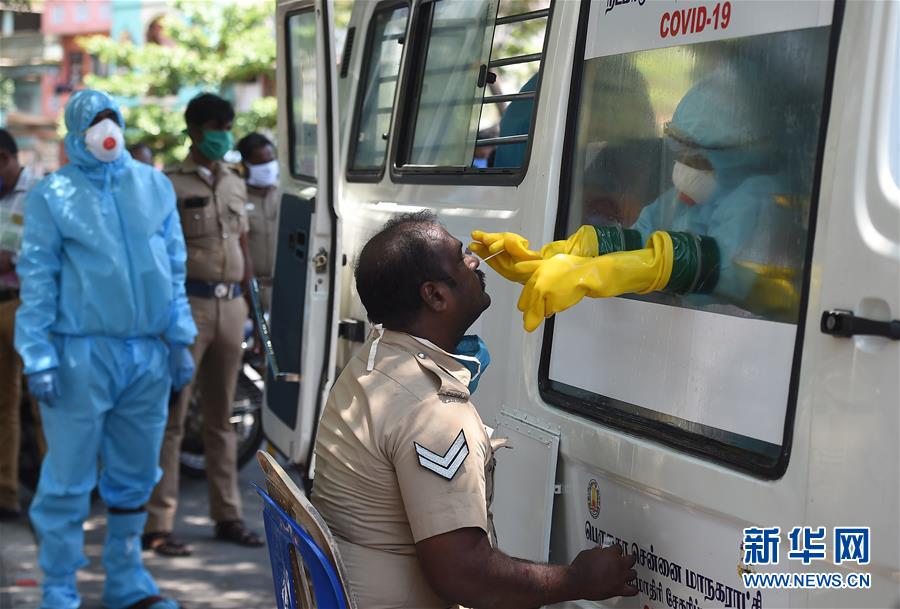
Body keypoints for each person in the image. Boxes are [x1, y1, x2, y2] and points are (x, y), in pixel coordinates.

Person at [311, 210, 637, 609]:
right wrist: (578, 579)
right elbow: (465, 574)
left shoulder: (370, 361)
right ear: (434, 295)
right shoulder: (434, 412)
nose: (474, 261)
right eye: (461, 256)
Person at [14, 89, 196, 609]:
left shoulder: (153, 185)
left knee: (137, 471)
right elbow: (39, 280)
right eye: (94, 120)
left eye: (112, 117)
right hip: (79, 355)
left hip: (147, 355)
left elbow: (174, 269)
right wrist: (39, 355)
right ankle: (58, 587)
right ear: (76, 132)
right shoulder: (53, 195)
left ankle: (126, 579)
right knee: (68, 478)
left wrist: (178, 338)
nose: (106, 128)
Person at [473, 66, 798, 331]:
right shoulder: (681, 199)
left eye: (697, 155)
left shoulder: (761, 199)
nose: (683, 165)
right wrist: (568, 252)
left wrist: (635, 269)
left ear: (741, 153)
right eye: (680, 149)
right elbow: (643, 239)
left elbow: (727, 270)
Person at [144, 93, 263, 556]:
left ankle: (227, 516)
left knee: (222, 419)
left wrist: (252, 309)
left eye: (226, 126)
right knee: (172, 418)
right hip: (187, 307)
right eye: (215, 127)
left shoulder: (234, 181)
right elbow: (156, 253)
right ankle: (159, 522)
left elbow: (244, 247)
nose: (222, 136)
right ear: (194, 130)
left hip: (231, 305)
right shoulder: (168, 184)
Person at [0, 128, 38, 520]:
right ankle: (7, 494)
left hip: (27, 305)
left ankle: (55, 493)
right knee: (4, 406)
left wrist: (12, 258)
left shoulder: (38, 195)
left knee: (43, 404)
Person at [237, 132, 279, 313]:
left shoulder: (284, 196)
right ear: (246, 165)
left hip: (282, 289)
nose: (268, 167)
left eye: (270, 160)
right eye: (260, 162)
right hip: (247, 291)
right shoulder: (237, 197)